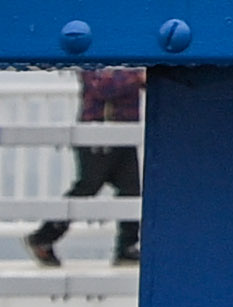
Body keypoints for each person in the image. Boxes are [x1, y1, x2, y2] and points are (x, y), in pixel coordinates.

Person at [22, 59, 146, 273]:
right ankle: (43, 237)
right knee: (88, 186)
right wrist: (138, 76)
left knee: (131, 189)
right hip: (96, 132)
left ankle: (127, 246)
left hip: (124, 132)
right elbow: (102, 87)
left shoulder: (129, 59)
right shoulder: (93, 59)